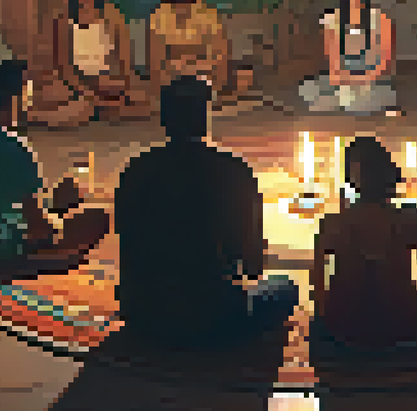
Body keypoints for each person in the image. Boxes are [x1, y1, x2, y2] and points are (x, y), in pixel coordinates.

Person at [116, 76, 298, 348]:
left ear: (164, 119)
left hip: (143, 314)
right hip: (214, 318)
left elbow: (127, 246)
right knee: (285, 287)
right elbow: (253, 267)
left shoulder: (135, 171)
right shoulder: (234, 172)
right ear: (205, 118)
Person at [0, 58, 102, 267]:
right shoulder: (15, 147)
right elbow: (40, 228)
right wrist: (58, 220)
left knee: (70, 189)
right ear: (17, 97)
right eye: (29, 92)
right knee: (97, 217)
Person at [311, 137, 417, 351]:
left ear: (351, 180)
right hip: (402, 327)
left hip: (343, 329)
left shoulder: (332, 224)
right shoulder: (410, 218)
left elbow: (317, 285)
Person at [41, 0, 153, 124]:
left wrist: (125, 82)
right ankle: (101, 108)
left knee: (147, 102)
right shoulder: (63, 20)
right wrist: (83, 90)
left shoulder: (112, 14)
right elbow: (63, 65)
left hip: (108, 78)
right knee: (52, 94)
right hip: (77, 79)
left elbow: (124, 56)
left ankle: (99, 108)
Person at [299, 0, 400, 116]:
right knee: (307, 88)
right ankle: (341, 100)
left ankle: (341, 102)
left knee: (366, 100)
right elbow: (334, 65)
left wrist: (363, 79)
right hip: (343, 81)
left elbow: (383, 64)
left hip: (372, 82)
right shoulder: (333, 21)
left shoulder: (379, 20)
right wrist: (345, 80)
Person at [147, 0, 233, 101]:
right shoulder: (159, 14)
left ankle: (210, 96)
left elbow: (220, 52)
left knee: (243, 76)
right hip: (173, 73)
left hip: (203, 71)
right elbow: (156, 58)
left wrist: (198, 63)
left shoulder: (207, 13)